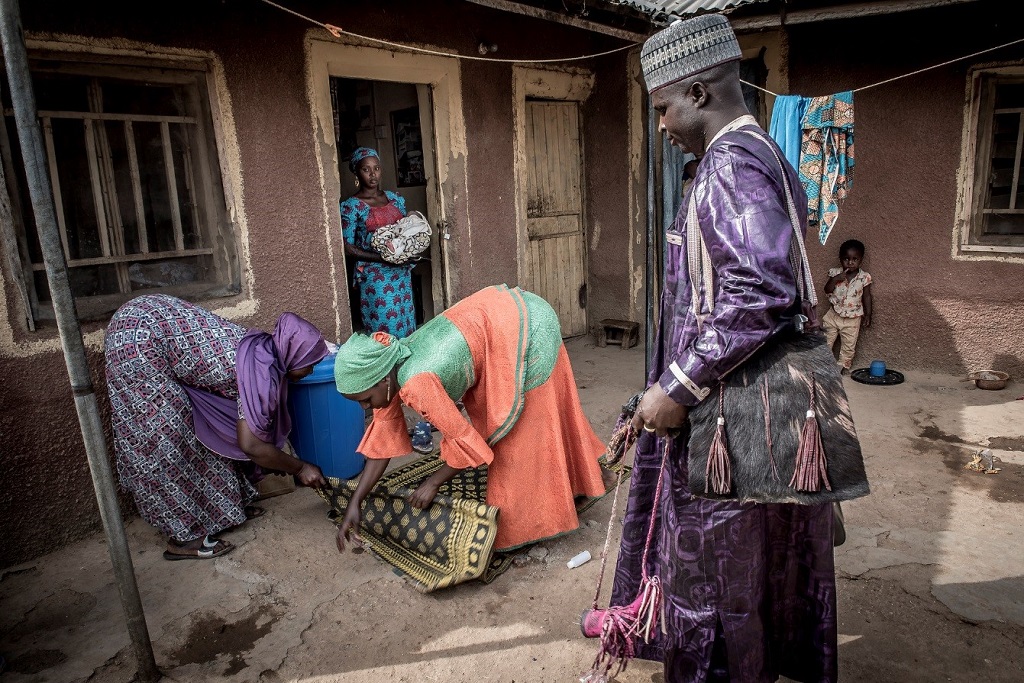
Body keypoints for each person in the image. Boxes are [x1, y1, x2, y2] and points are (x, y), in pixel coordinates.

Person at [599, 15, 838, 682]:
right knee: (751, 561)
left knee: (711, 573)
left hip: (731, 415)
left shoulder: (731, 168)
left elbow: (756, 292)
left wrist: (678, 386)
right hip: (758, 401)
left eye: (664, 108)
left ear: (699, 93)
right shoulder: (758, 156)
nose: (662, 126)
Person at [332, 284, 610, 553]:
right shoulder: (390, 364)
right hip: (503, 319)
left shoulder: (416, 384)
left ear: (383, 381)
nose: (366, 407)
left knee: (521, 437)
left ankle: (536, 522)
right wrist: (357, 501)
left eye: (365, 400)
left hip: (528, 327)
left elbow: (467, 441)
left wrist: (432, 483)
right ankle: (579, 480)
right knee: (532, 425)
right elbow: (383, 441)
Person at [105, 294, 329, 560]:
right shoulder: (259, 375)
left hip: (154, 320)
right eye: (310, 365)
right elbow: (253, 446)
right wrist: (300, 467)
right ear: (294, 357)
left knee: (210, 427)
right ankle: (183, 538)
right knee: (167, 434)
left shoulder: (265, 349)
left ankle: (224, 511)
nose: (311, 372)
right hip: (137, 340)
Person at [340, 146, 432, 454]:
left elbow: (405, 232)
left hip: (401, 280)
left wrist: (406, 253)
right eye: (366, 170)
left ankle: (419, 410)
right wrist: (382, 260)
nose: (373, 175)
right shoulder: (352, 207)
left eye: (376, 168)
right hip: (377, 285)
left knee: (409, 339)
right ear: (357, 173)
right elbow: (349, 248)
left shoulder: (396, 200)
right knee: (386, 342)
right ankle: (391, 415)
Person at [822, 238, 872, 373]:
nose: (850, 262)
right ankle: (823, 364)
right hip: (833, 314)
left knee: (849, 345)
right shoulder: (835, 273)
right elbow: (827, 290)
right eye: (846, 259)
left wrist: (868, 314)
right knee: (825, 340)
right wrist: (834, 280)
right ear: (840, 259)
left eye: (855, 259)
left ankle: (842, 365)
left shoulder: (864, 277)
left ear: (861, 260)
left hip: (853, 318)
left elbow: (867, 296)